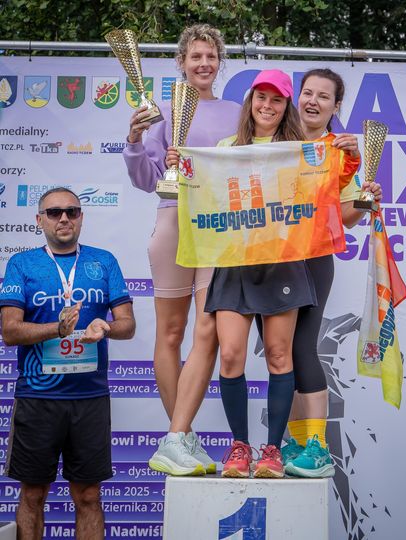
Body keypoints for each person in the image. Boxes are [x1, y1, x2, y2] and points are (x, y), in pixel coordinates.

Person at [123, 24, 241, 475]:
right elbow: (145, 179)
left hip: (218, 229)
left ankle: (176, 435)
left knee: (208, 330)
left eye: (211, 56)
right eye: (195, 57)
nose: (203, 64)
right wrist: (135, 140)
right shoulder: (159, 112)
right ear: (182, 62)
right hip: (173, 221)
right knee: (170, 334)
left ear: (219, 61)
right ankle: (182, 438)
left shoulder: (237, 113)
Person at [203, 69, 324, 479]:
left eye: (276, 99)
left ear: (286, 106)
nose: (267, 106)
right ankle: (240, 446)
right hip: (235, 261)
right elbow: (205, 196)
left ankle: (271, 450)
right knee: (231, 355)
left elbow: (318, 200)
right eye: (261, 97)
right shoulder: (226, 148)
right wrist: (181, 169)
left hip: (282, 262)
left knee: (278, 354)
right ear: (251, 100)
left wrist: (349, 168)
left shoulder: (299, 150)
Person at [0, 187, 136, 540]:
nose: (64, 218)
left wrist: (106, 326)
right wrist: (56, 329)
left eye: (72, 212)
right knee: (33, 494)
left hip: (89, 399)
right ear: (39, 220)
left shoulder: (103, 261)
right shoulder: (22, 264)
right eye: (54, 212)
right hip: (38, 398)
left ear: (81, 218)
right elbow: (10, 331)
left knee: (89, 495)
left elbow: (128, 325)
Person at [279, 68, 382, 478]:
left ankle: (318, 447)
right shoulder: (276, 143)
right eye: (308, 93)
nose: (313, 101)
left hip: (314, 259)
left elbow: (347, 217)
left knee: (303, 346)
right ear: (297, 97)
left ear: (336, 106)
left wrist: (365, 198)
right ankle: (295, 441)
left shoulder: (340, 152)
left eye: (324, 96)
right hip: (270, 259)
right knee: (280, 350)